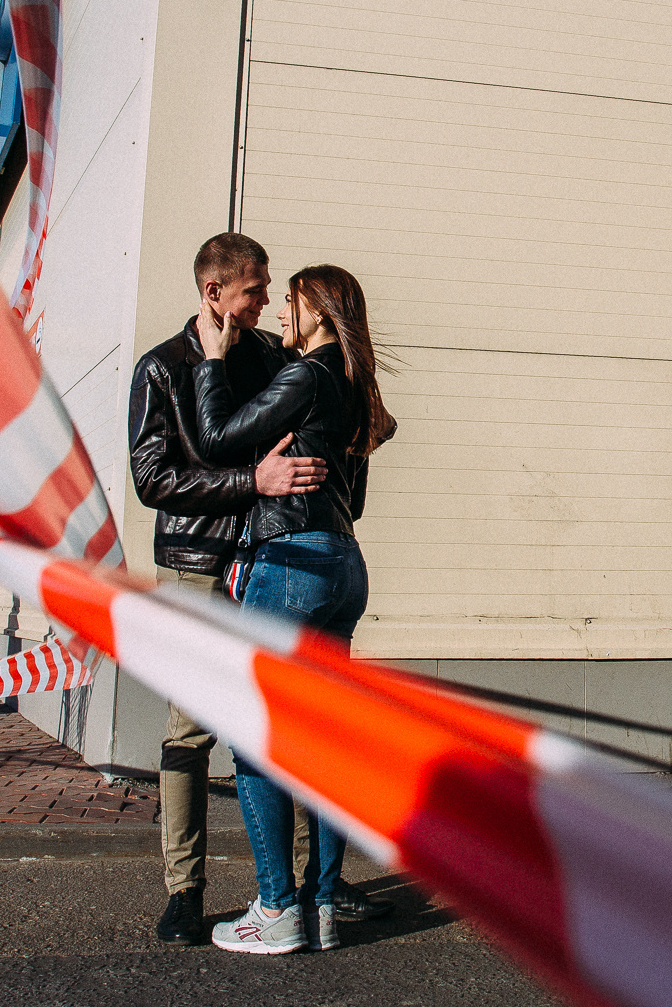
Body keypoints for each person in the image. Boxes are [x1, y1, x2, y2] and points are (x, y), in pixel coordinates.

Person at [129, 232, 374, 947]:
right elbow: (154, 479)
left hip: (275, 559)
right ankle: (186, 888)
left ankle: (308, 892)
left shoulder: (277, 359)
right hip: (202, 559)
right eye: (255, 290)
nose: (268, 302)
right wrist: (249, 482)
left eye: (273, 290)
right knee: (195, 725)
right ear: (214, 295)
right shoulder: (163, 369)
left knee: (291, 726)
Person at [193, 263, 395, 955]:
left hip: (290, 564)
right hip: (342, 565)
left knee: (255, 736)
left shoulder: (307, 374)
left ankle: (277, 908)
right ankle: (326, 901)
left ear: (316, 309)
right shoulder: (351, 384)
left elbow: (218, 435)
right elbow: (355, 497)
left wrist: (213, 362)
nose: (281, 310)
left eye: (289, 300)